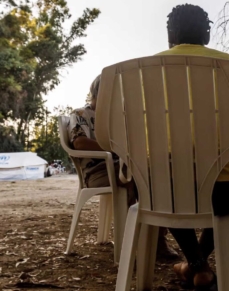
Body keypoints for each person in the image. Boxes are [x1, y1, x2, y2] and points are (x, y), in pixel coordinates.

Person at [156, 3, 229, 291]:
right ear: (206, 33)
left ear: (170, 34)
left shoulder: (144, 71)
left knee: (170, 192)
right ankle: (198, 266)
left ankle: (196, 265)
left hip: (166, 191)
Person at [68, 74, 178, 259]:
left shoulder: (121, 117)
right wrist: (119, 150)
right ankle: (143, 241)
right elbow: (79, 143)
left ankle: (154, 237)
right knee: (141, 176)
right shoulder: (81, 114)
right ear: (97, 93)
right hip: (98, 171)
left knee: (160, 175)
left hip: (126, 166)